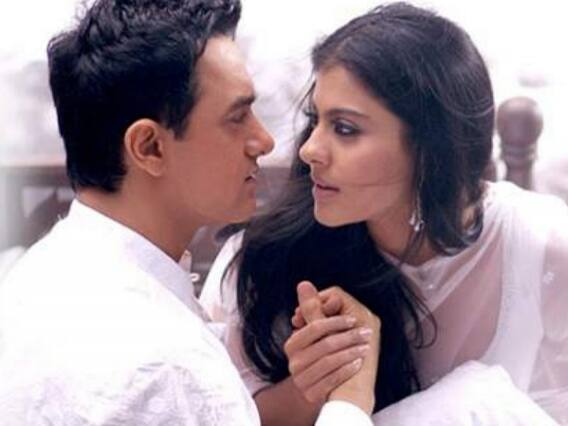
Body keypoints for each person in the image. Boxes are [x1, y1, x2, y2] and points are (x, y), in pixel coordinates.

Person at [0, 0, 380, 424]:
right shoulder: (169, 367)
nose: (264, 141)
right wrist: (351, 397)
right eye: (237, 117)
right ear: (149, 147)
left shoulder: (38, 281)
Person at [200, 2, 568, 424]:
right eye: (315, 120)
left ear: (431, 148)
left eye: (345, 129)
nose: (309, 150)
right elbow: (215, 416)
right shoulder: (265, 261)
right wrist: (315, 388)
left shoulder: (543, 247)